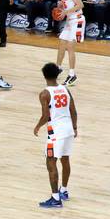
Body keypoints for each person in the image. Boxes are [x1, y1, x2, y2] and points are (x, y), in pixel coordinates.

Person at [35, 62, 78, 209]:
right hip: (68, 129)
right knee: (65, 160)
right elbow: (73, 110)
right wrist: (75, 127)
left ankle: (55, 198)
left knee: (51, 162)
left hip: (56, 132)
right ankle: (64, 190)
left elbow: (45, 116)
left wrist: (37, 126)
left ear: (44, 75)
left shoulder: (44, 93)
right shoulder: (65, 89)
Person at [54, 0, 84, 85]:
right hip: (69, 20)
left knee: (70, 47)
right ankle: (58, 68)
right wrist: (61, 6)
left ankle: (72, 75)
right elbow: (66, 3)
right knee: (62, 43)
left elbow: (80, 5)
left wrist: (66, 12)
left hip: (77, 19)